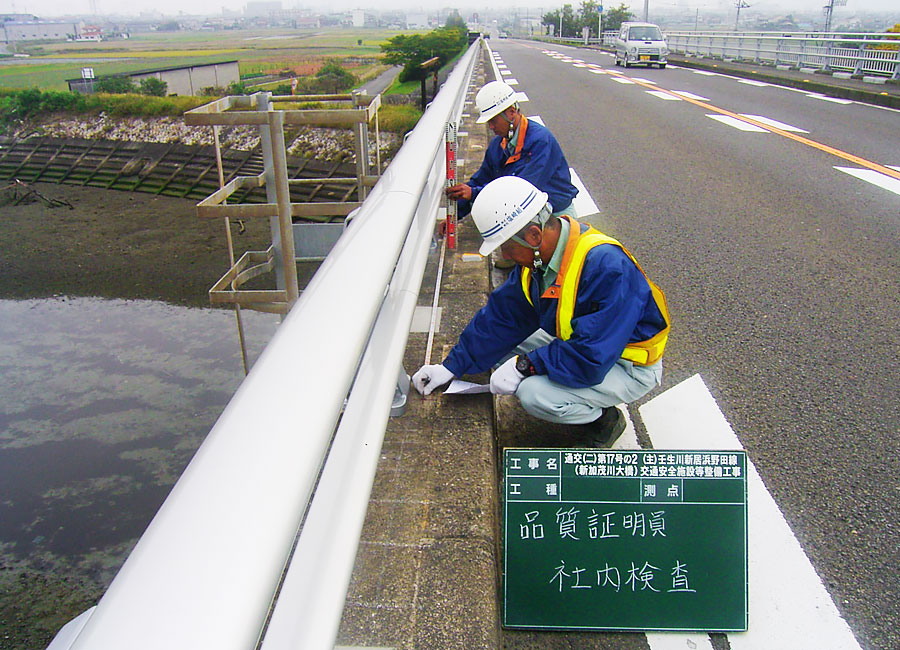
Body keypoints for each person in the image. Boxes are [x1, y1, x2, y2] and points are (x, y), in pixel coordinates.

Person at [413, 176, 670, 447]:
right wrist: (450, 366)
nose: (506, 255)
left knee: (534, 394)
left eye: (507, 246)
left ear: (534, 235)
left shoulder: (607, 267)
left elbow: (592, 355)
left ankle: (605, 419)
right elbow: (503, 318)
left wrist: (526, 365)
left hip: (626, 363)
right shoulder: (538, 261)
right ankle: (573, 391)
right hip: (583, 345)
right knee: (502, 350)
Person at [445, 80, 578, 221]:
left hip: (556, 215)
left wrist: (473, 193)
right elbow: (482, 178)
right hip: (526, 213)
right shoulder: (497, 145)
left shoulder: (540, 141)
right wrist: (455, 215)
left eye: (493, 120)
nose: (491, 127)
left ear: (512, 112)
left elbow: (522, 189)